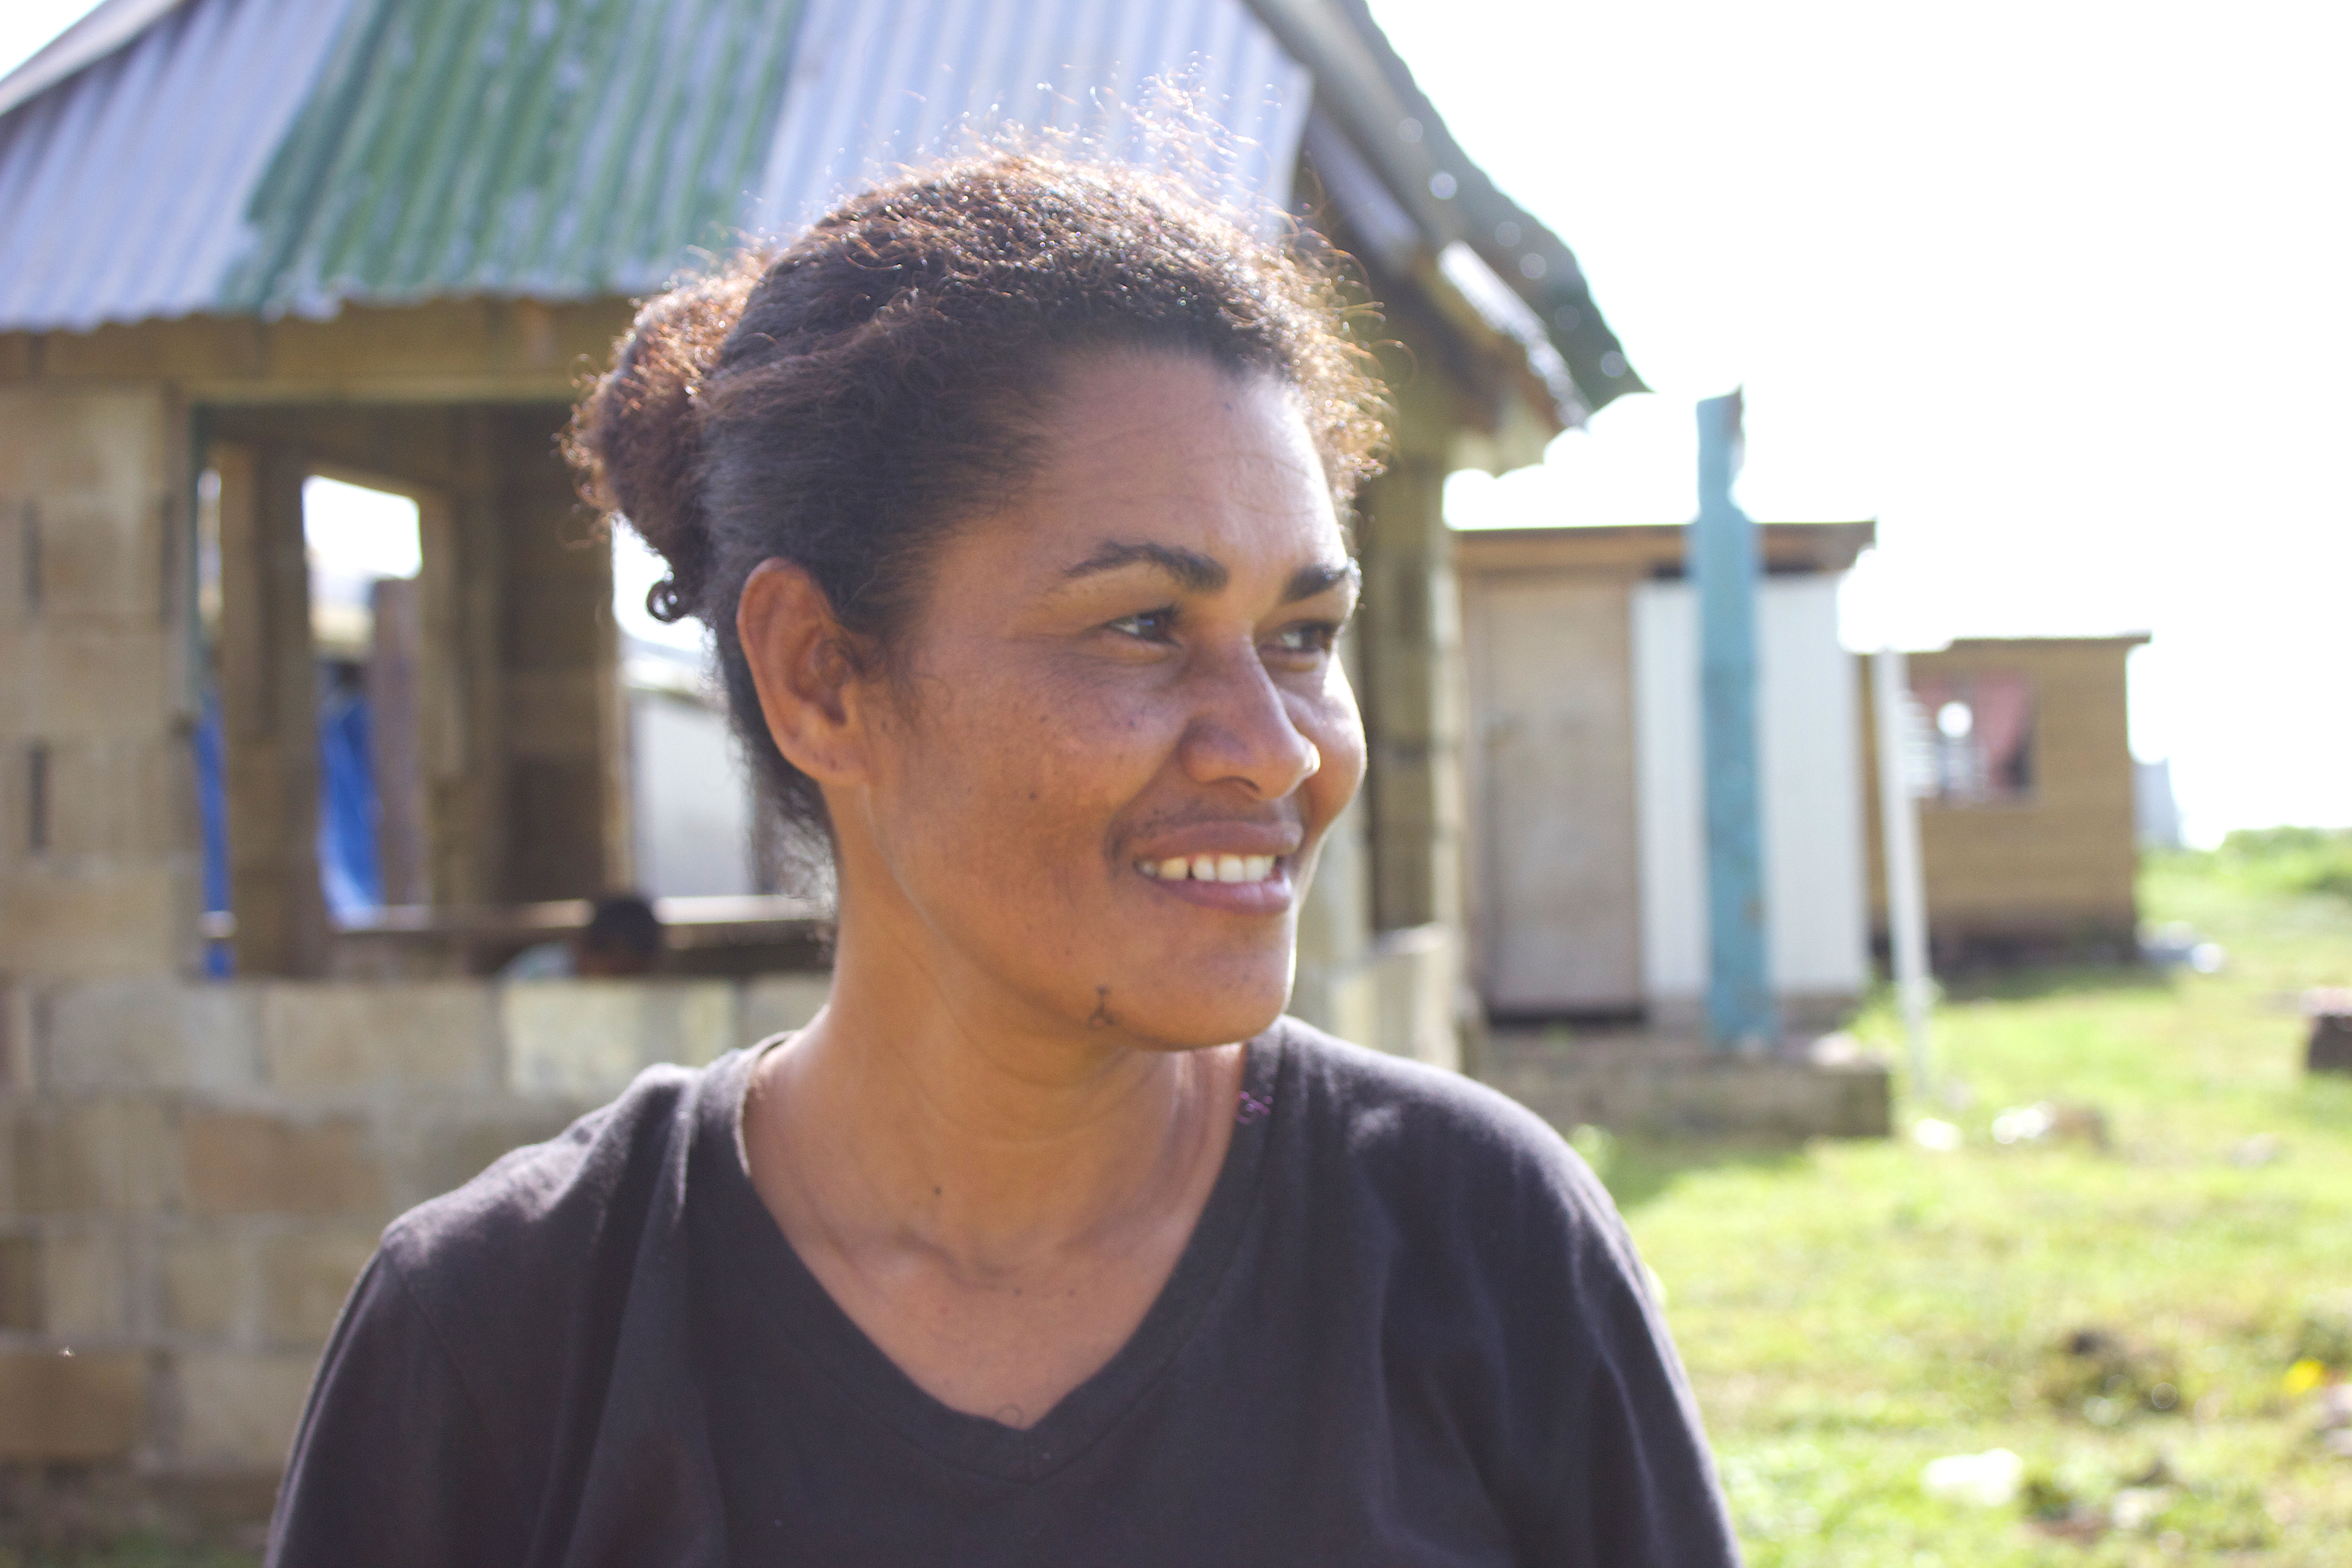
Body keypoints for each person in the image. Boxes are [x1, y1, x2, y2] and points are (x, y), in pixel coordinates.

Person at [267, 154, 1742, 1566]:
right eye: (1141, 624)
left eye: (1302, 635)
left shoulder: (1478, 1250)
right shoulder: (504, 1338)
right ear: (821, 674)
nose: (1275, 747)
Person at [500, 893, 666, 979]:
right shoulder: (538, 978)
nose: (624, 987)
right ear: (583, 949)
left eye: (635, 977)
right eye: (617, 974)